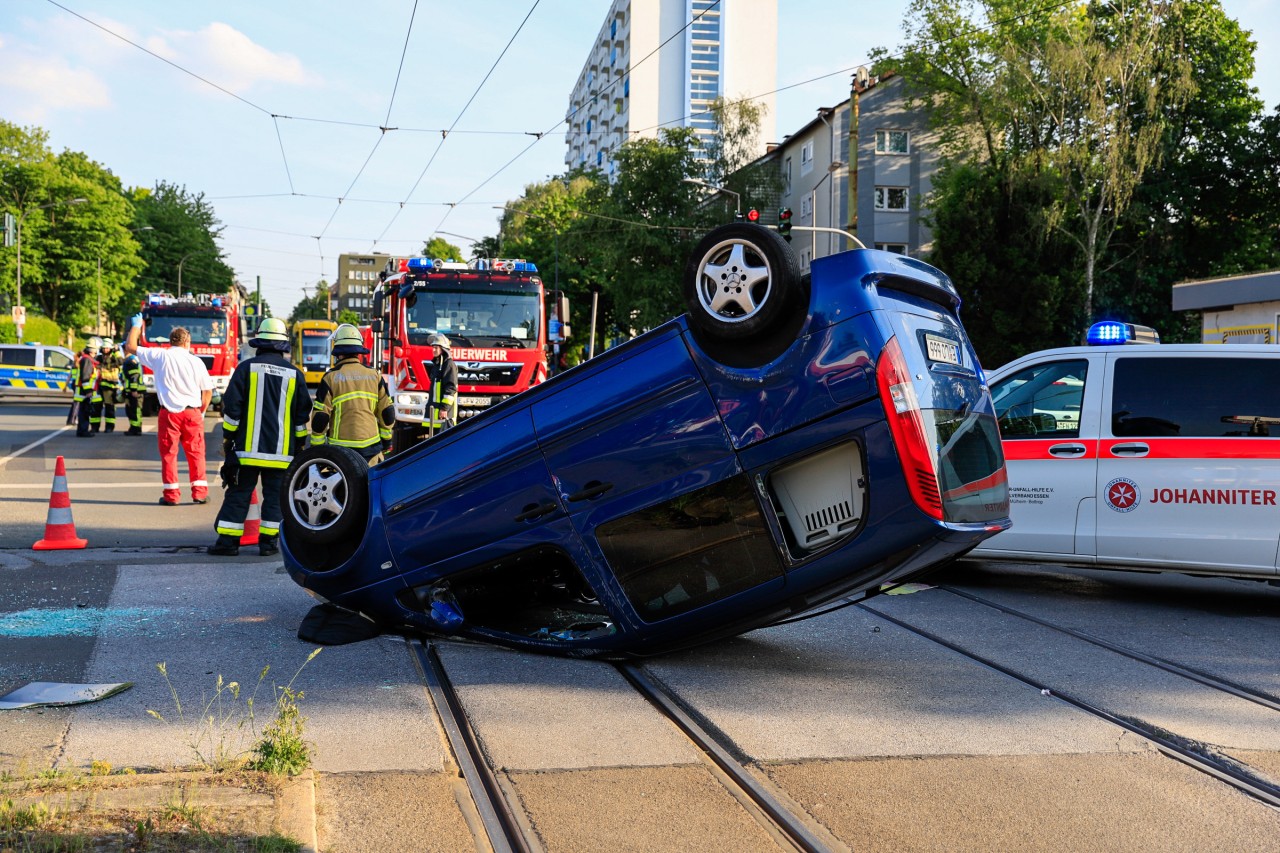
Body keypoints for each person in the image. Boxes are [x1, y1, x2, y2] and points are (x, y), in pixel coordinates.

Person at [207, 317, 312, 557]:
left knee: (238, 494)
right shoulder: (295, 375)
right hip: (281, 453)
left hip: (245, 452)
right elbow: (300, 417)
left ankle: (228, 543)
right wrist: (298, 446)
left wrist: (228, 439)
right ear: (284, 346)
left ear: (259, 343)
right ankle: (268, 544)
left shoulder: (246, 369)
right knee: (275, 498)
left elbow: (232, 409)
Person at [123, 315, 214, 505]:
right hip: (192, 413)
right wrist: (201, 412)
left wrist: (136, 327)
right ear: (187, 341)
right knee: (196, 453)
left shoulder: (159, 356)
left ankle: (172, 496)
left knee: (169, 454)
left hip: (169, 413)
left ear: (171, 340)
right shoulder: (196, 362)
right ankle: (199, 493)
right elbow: (207, 391)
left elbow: (130, 348)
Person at [310, 323, 394, 464]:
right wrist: (387, 441)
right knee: (370, 485)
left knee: (344, 486)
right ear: (358, 352)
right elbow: (387, 413)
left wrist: (316, 448)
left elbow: (320, 418)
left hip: (340, 452)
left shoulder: (331, 378)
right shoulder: (374, 375)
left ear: (339, 353)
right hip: (371, 449)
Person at [425, 332, 457, 433]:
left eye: (436, 348)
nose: (433, 350)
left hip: (444, 413)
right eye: (433, 347)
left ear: (443, 349)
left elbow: (451, 388)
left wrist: (444, 408)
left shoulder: (448, 364)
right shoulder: (437, 365)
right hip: (435, 413)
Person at [73, 337, 101, 438]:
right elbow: (85, 377)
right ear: (93, 350)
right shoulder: (87, 360)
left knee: (84, 412)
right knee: (85, 412)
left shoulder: (86, 359)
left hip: (83, 391)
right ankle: (83, 431)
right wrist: (88, 391)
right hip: (84, 391)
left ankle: (82, 430)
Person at [95, 339, 124, 433]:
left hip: (110, 387)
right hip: (99, 387)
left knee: (109, 408)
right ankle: (95, 427)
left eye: (108, 348)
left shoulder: (114, 358)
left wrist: (117, 351)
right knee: (96, 407)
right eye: (104, 348)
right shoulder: (99, 358)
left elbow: (121, 362)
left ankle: (109, 427)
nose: (106, 350)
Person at [121, 350, 145, 435]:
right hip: (131, 390)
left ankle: (136, 429)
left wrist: (134, 390)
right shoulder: (131, 360)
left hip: (135, 391)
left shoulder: (131, 361)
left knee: (135, 410)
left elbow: (134, 376)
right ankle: (134, 428)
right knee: (131, 410)